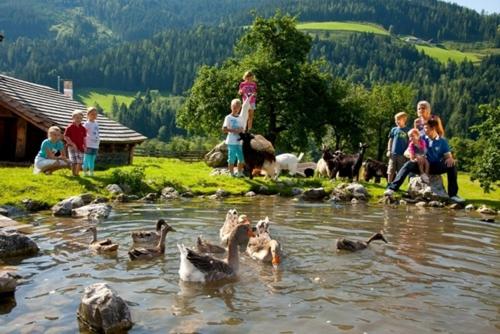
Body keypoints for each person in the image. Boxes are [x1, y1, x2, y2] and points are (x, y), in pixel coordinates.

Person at [384, 119, 464, 203]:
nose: (424, 130)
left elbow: (448, 156)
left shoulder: (442, 141)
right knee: (408, 164)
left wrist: (450, 158)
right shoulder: (419, 138)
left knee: (452, 166)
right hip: (420, 165)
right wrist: (413, 156)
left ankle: (453, 195)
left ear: (433, 128)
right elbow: (406, 152)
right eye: (424, 128)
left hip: (435, 167)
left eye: (426, 128)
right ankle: (392, 188)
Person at [223, 99, 245, 177]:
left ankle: (239, 173)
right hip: (231, 141)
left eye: (238, 108)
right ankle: (231, 174)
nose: (236, 109)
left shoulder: (241, 118)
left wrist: (240, 130)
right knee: (231, 158)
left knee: (241, 158)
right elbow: (224, 129)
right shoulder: (228, 117)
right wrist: (233, 130)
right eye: (234, 107)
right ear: (231, 107)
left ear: (240, 108)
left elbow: (243, 129)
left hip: (239, 142)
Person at [386, 112, 410, 182]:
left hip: (402, 155)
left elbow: (409, 143)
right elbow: (390, 140)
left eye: (398, 119)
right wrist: (389, 150)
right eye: (395, 120)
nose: (396, 121)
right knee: (390, 169)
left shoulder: (408, 130)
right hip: (393, 154)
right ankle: (389, 184)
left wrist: (408, 152)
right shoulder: (394, 129)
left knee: (400, 171)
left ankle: (396, 185)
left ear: (404, 120)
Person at [64, 109, 87, 176]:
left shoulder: (83, 128)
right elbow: (66, 137)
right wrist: (72, 143)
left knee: (80, 161)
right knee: (73, 161)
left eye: (80, 118)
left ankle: (77, 174)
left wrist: (85, 146)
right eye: (77, 118)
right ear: (73, 118)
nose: (78, 119)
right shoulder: (70, 127)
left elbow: (84, 138)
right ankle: (73, 174)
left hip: (80, 147)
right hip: (71, 147)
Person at [82, 106, 100, 176]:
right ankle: (85, 172)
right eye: (92, 114)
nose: (94, 116)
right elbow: (83, 134)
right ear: (88, 115)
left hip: (95, 144)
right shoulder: (86, 124)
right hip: (88, 144)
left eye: (95, 114)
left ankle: (91, 172)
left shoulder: (96, 123)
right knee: (86, 158)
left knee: (92, 159)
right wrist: (84, 144)